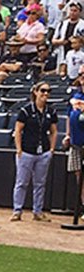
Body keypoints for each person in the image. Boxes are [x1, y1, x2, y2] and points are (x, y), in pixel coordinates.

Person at [12, 81, 58, 221]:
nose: (46, 94)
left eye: (48, 91)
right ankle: (17, 210)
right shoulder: (26, 110)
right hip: (26, 151)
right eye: (43, 90)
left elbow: (54, 131)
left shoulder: (51, 111)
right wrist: (19, 149)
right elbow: (18, 130)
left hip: (43, 151)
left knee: (40, 183)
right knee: (21, 182)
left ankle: (37, 211)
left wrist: (51, 149)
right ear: (35, 92)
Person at [65, 79, 84, 212]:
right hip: (76, 144)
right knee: (80, 176)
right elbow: (69, 116)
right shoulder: (76, 96)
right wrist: (68, 134)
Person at [52, 1, 82, 65]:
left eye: (75, 11)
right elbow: (53, 40)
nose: (72, 13)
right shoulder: (62, 24)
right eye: (71, 10)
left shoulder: (82, 25)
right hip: (63, 52)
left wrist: (77, 40)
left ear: (79, 12)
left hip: (78, 55)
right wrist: (61, 41)